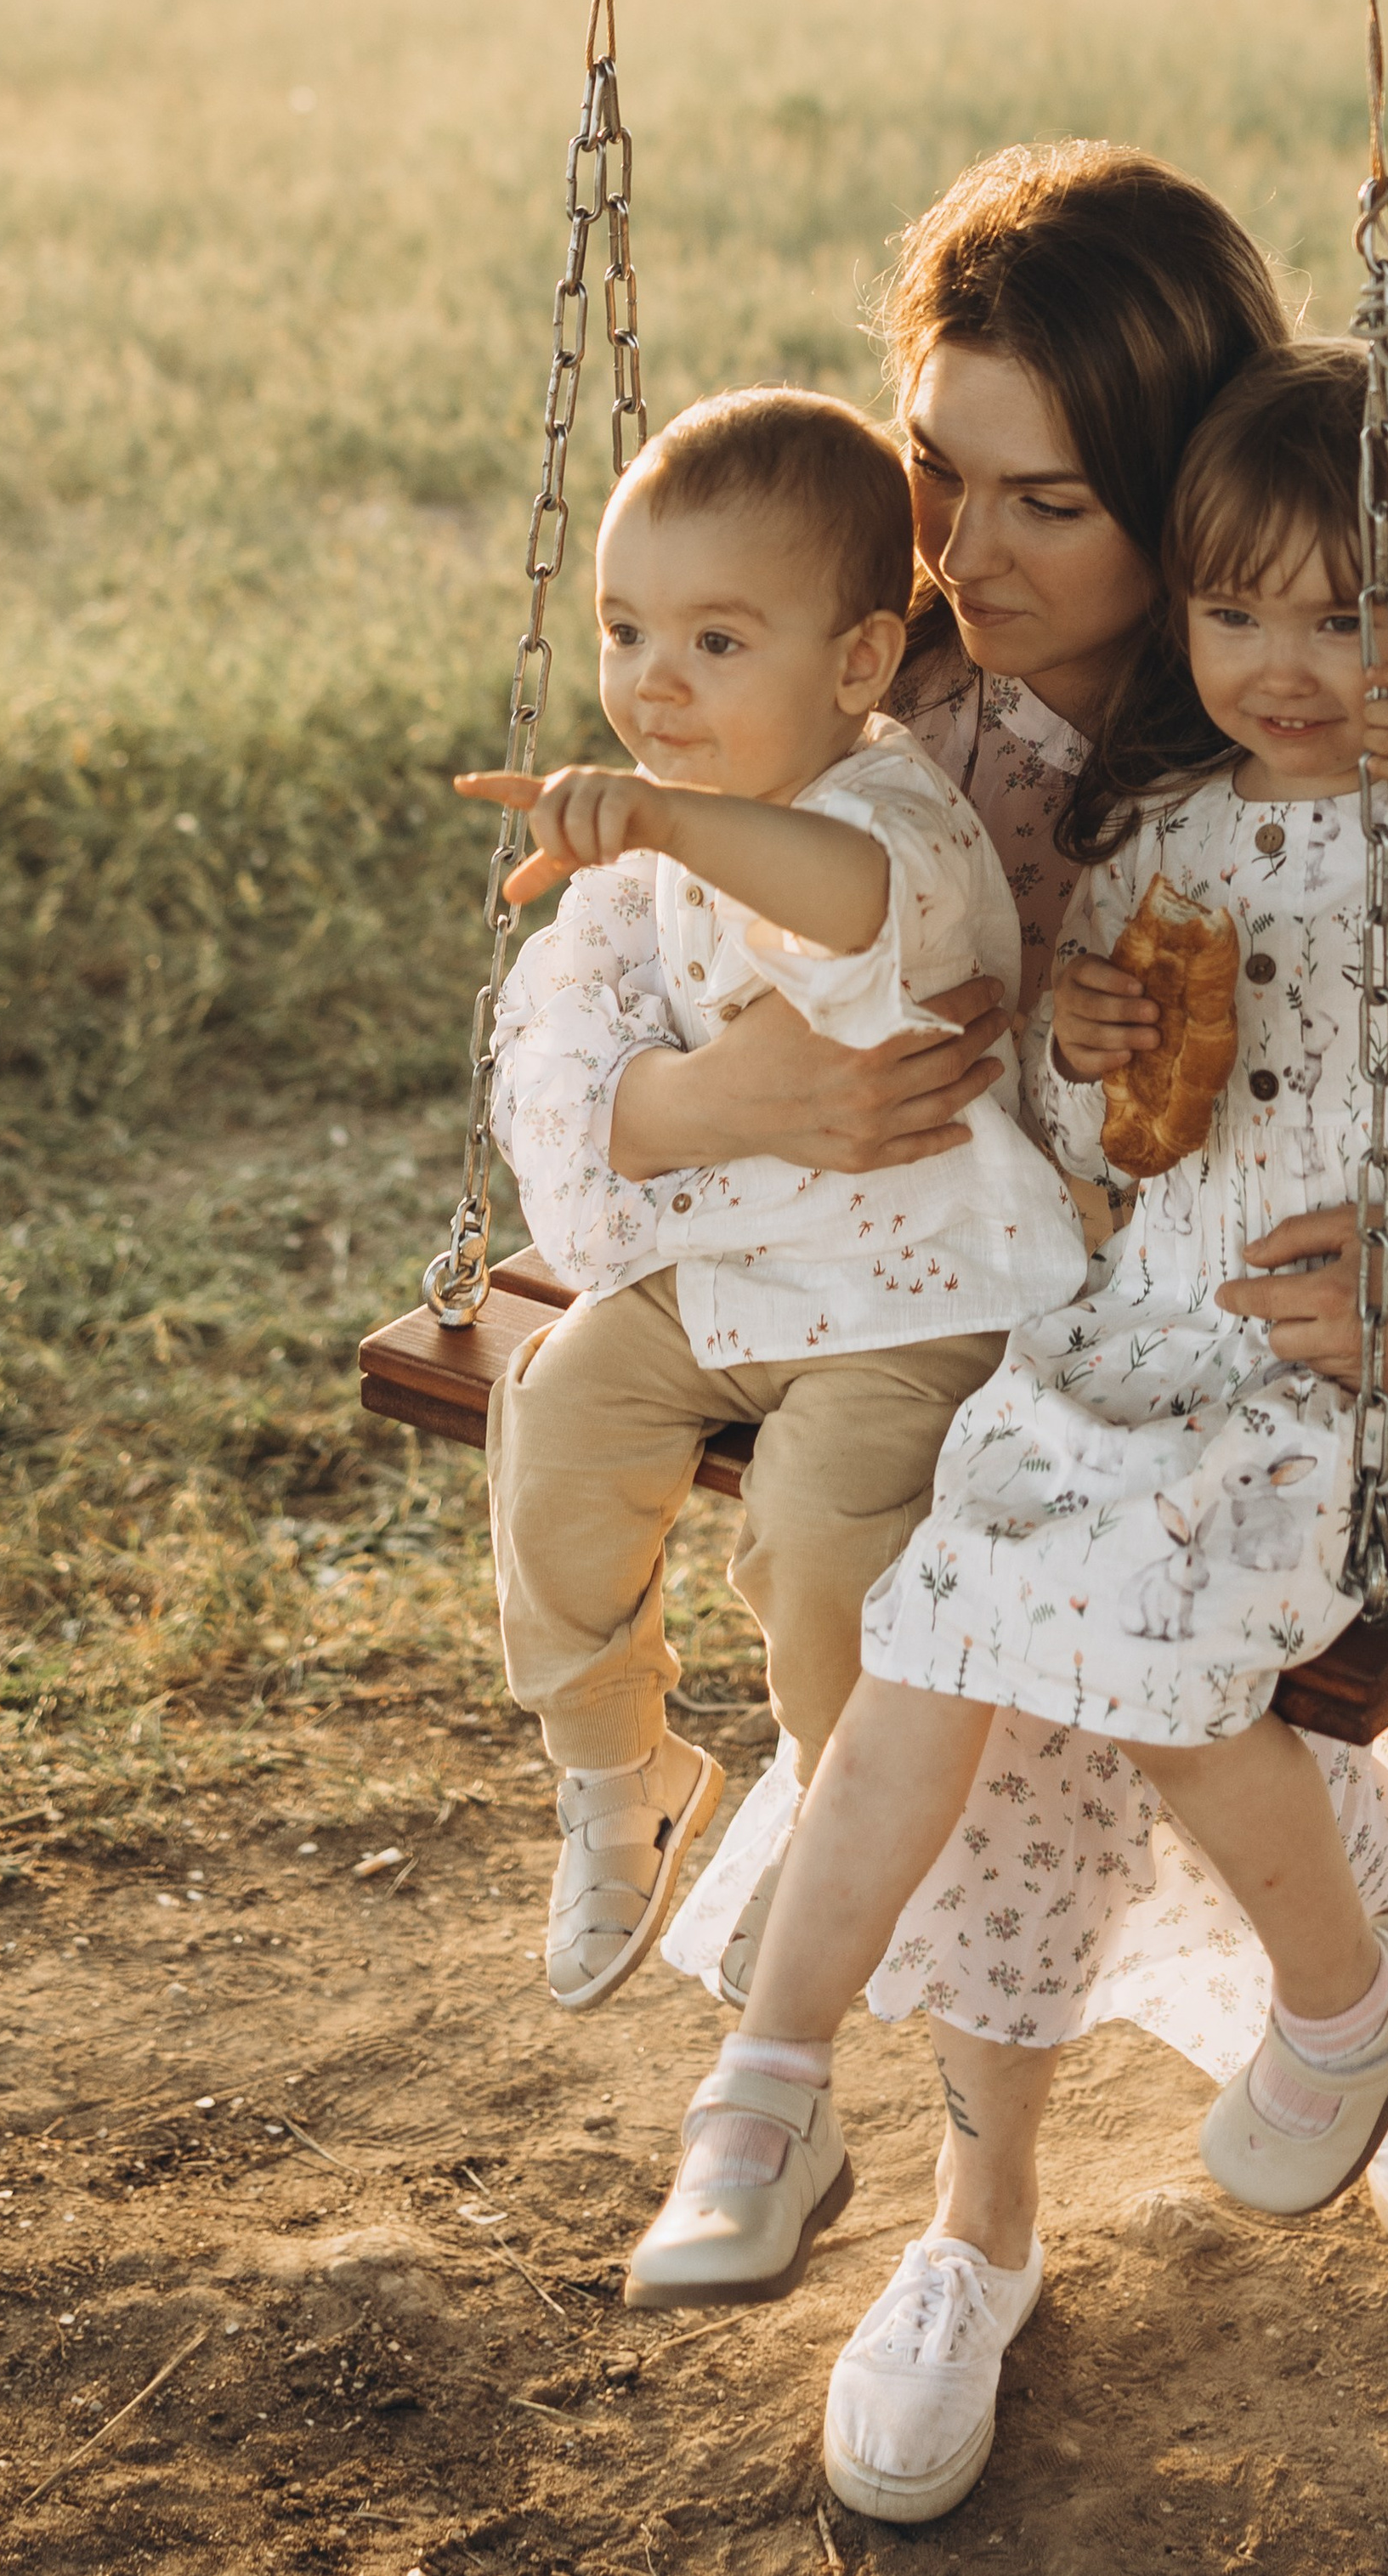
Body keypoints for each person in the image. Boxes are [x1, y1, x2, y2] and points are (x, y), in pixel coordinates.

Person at [501, 142, 1388, 2521]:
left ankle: (1351, 1986)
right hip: (980, 1360)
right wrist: (684, 1094)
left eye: (1046, 499)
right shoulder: (876, 701)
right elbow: (585, 974)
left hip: (1279, 1367)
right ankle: (980, 2217)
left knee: (1106, 1605)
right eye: (937, 474)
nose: (962, 551)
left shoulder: (1357, 743)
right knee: (950, 1606)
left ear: (1197, 515)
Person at [462, 387, 1085, 2011]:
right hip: (725, 1265)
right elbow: (573, 1023)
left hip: (910, 1297)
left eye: (719, 643)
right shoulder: (666, 829)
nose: (654, 682)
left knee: (817, 1546)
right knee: (561, 1418)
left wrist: (673, 819)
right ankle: (622, 1771)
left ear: (860, 665)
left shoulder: (882, 812)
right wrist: (651, 845)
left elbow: (850, 909)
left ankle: (829, 1815)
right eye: (625, 630)